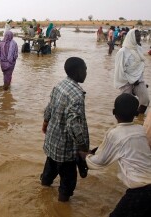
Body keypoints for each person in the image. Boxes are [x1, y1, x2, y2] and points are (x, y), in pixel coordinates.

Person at [80, 93, 151, 217]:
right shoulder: (141, 131)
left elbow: (100, 161)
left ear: (114, 112)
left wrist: (85, 156)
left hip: (140, 191)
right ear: (136, 114)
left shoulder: (115, 133)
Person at [40, 57, 89, 202]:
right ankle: (61, 207)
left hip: (53, 141)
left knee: (49, 171)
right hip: (66, 149)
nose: (86, 72)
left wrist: (45, 122)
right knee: (67, 184)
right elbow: (74, 124)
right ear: (77, 72)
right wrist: (82, 148)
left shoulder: (60, 85)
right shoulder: (77, 95)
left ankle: (43, 189)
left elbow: (50, 106)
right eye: (85, 69)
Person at [114, 29, 149, 123]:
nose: (139, 37)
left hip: (139, 80)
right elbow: (119, 70)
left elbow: (140, 66)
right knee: (125, 106)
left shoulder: (139, 49)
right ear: (131, 37)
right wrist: (131, 80)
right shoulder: (122, 52)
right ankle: (122, 125)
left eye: (140, 35)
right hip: (126, 81)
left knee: (145, 100)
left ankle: (138, 120)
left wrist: (138, 79)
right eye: (137, 36)